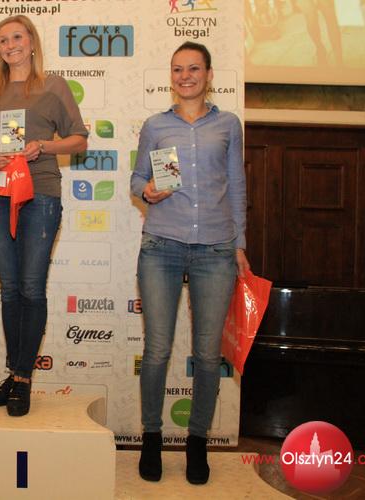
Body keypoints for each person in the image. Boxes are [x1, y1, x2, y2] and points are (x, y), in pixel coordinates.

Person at [130, 41, 249, 485]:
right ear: (171, 76)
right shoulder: (155, 125)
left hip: (216, 249)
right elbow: (137, 178)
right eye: (178, 69)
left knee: (207, 354)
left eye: (194, 68)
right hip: (161, 244)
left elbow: (237, 184)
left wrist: (239, 243)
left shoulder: (229, 124)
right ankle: (151, 437)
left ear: (209, 74)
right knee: (157, 350)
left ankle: (197, 442)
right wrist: (147, 192)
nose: (185, 76)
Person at [0, 15, 88, 417]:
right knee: (9, 290)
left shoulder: (53, 86)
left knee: (32, 288)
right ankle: (16, 372)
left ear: (32, 42)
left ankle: (22, 378)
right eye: (3, 40)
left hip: (40, 195)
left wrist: (44, 147)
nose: (10, 45)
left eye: (17, 37)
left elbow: (79, 139)